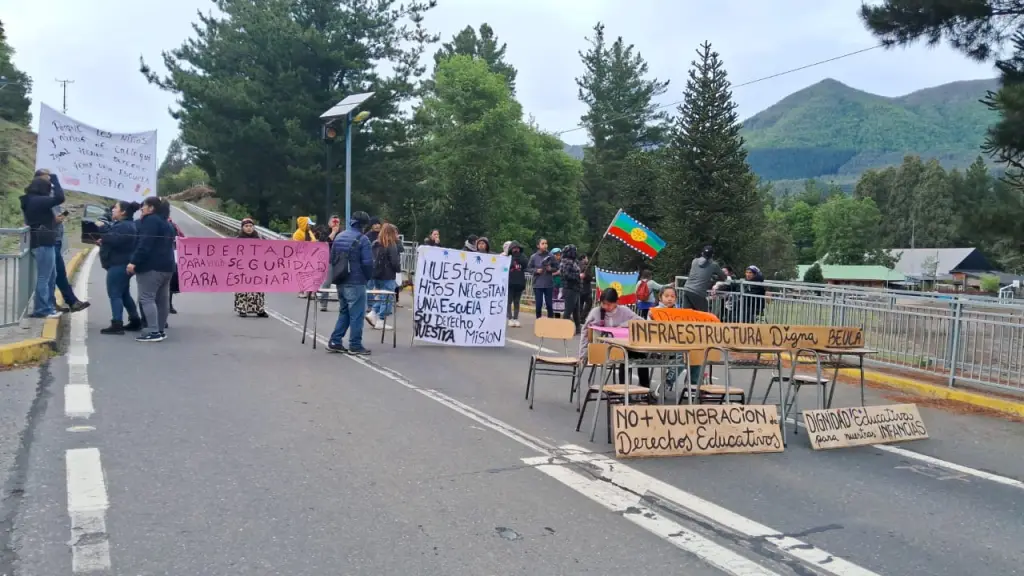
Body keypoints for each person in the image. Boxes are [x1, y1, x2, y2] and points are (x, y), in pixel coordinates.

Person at [578, 288, 649, 388]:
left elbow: (641, 322)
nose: (606, 307)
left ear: (616, 302)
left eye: (610, 304)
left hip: (622, 348)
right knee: (624, 358)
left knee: (641, 357)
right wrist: (583, 353)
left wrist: (624, 325)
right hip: (602, 349)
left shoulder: (624, 311)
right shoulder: (596, 312)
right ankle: (622, 391)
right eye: (604, 303)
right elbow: (585, 332)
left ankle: (644, 389)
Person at [128, 196, 176, 342]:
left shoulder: (150, 221)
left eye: (144, 206)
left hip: (151, 267)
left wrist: (134, 262)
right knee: (162, 300)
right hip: (168, 267)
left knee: (146, 298)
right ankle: (160, 330)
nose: (141, 209)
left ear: (151, 208)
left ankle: (153, 331)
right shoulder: (167, 223)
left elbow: (145, 243)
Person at [327, 211, 373, 355]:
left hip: (340, 280)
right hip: (356, 281)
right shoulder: (363, 240)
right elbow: (367, 263)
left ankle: (335, 340)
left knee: (344, 312)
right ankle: (355, 345)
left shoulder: (339, 237)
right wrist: (367, 278)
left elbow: (332, 258)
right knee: (357, 315)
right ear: (364, 225)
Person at [43, 171, 89, 313]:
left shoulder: (47, 196)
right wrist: (61, 217)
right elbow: (53, 219)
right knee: (54, 274)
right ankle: (62, 302)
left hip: (54, 239)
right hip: (50, 240)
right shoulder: (47, 198)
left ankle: (65, 302)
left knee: (56, 274)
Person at [20, 174, 64, 318]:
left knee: (51, 275)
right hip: (43, 241)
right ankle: (41, 309)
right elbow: (60, 198)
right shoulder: (39, 200)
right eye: (48, 187)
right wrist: (55, 180)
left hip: (42, 240)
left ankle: (47, 307)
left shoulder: (30, 200)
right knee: (44, 277)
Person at [96, 201, 142, 334]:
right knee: (124, 294)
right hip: (122, 262)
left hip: (118, 264)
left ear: (123, 212)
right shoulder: (125, 225)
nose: (113, 210)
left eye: (115, 208)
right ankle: (135, 320)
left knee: (114, 293)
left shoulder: (125, 226)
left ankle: (117, 324)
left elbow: (113, 239)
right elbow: (116, 242)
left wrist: (102, 228)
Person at [367, 223, 401, 330]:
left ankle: (372, 313)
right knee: (387, 298)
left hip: (376, 275)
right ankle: (381, 320)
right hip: (388, 275)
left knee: (381, 296)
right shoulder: (391, 245)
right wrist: (398, 270)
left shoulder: (375, 243)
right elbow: (395, 262)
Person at [234, 218, 269, 318]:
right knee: (243, 289)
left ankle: (259, 309)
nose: (249, 228)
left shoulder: (259, 238)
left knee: (258, 289)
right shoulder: (238, 239)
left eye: (250, 226)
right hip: (243, 268)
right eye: (246, 226)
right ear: (242, 227)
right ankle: (242, 309)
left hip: (257, 268)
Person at [312, 215, 342, 312]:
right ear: (329, 223)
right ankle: (323, 302)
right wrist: (333, 232)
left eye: (337, 222)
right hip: (328, 260)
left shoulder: (342, 233)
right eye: (333, 222)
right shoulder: (325, 232)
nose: (335, 224)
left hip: (339, 260)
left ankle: (342, 304)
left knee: (340, 283)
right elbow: (324, 244)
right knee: (327, 282)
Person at [681, 245, 723, 312]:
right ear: (712, 255)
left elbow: (699, 272)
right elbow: (723, 277)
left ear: (702, 253)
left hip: (687, 289)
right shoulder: (714, 265)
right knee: (704, 315)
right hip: (698, 292)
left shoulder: (694, 261)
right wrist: (714, 278)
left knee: (687, 314)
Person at [558, 244, 583, 333]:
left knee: (576, 310)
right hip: (569, 288)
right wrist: (578, 276)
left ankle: (578, 329)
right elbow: (566, 275)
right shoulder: (566, 262)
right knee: (568, 310)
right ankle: (564, 329)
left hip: (575, 289)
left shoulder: (573, 262)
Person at [166, 206, 185, 315]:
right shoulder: (173, 225)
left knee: (168, 283)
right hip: (172, 257)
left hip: (172, 255)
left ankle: (168, 305)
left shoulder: (172, 226)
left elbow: (181, 238)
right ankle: (168, 305)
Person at [527, 239, 553, 318]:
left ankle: (550, 321)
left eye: (546, 243)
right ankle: (538, 321)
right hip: (537, 284)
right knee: (538, 305)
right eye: (543, 243)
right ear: (538, 246)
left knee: (549, 305)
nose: (545, 245)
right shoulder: (534, 257)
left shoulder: (551, 256)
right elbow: (528, 268)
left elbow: (557, 267)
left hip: (548, 284)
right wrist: (536, 270)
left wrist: (550, 269)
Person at [293, 216, 317, 298]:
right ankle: (302, 291)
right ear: (304, 224)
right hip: (302, 258)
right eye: (308, 224)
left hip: (311, 257)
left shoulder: (309, 232)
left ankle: (311, 292)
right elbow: (297, 246)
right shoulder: (298, 234)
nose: (310, 226)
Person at [506, 241, 527, 327]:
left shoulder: (523, 257)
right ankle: (510, 319)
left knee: (517, 302)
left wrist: (519, 257)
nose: (516, 250)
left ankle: (516, 318)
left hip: (519, 283)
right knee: (509, 302)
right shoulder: (508, 257)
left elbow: (526, 264)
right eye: (514, 248)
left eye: (517, 248)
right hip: (510, 283)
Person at [578, 254, 594, 320]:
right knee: (589, 303)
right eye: (586, 258)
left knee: (580, 304)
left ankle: (578, 317)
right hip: (586, 289)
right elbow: (589, 278)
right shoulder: (586, 267)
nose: (587, 260)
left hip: (579, 288)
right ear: (583, 258)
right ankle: (582, 317)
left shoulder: (576, 265)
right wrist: (590, 277)